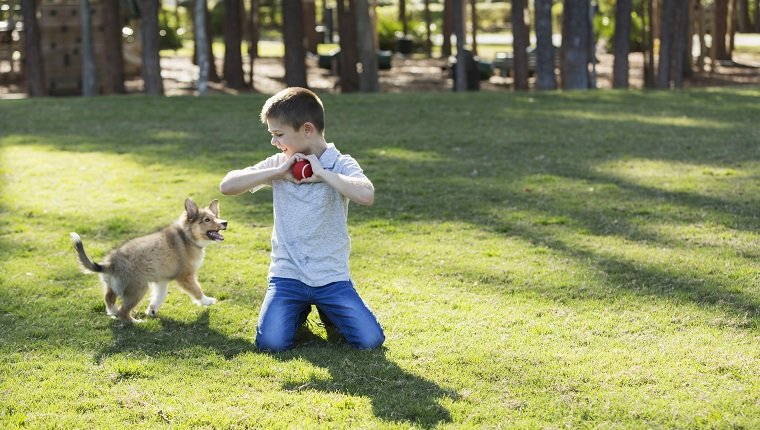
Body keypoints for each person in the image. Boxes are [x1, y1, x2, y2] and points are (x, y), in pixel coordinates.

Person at [219, 87, 385, 352]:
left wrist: (323, 174)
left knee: (370, 341)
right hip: (288, 276)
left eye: (278, 135)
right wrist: (277, 173)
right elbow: (227, 185)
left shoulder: (339, 163)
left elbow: (366, 194)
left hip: (331, 277)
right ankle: (297, 313)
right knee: (271, 344)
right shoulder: (280, 162)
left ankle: (329, 312)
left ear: (307, 129)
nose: (274, 142)